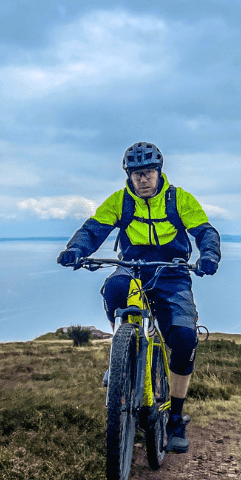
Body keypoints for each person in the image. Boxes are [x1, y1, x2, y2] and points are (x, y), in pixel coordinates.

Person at [57, 142, 221, 454]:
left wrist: (209, 255)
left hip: (172, 274)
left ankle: (175, 417)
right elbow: (94, 228)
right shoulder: (121, 201)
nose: (142, 179)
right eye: (135, 174)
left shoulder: (178, 199)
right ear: (129, 176)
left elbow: (204, 231)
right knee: (115, 287)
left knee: (185, 340)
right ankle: (121, 355)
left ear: (159, 173)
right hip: (133, 269)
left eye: (147, 173)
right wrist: (76, 248)